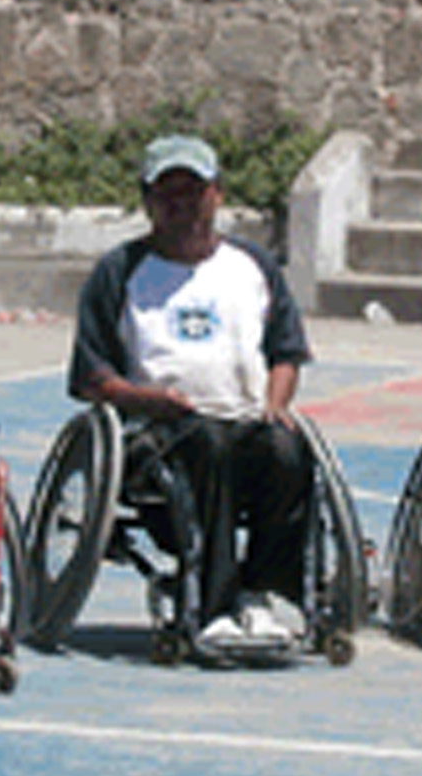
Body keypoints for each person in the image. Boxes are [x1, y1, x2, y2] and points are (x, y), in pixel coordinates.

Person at [68, 135, 316, 658]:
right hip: (155, 432)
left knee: (288, 449)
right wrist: (147, 398)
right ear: (148, 201)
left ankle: (259, 594)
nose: (181, 203)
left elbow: (286, 352)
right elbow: (91, 378)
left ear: (217, 196)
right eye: (167, 193)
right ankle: (214, 603)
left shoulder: (253, 268)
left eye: (193, 191)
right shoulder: (119, 272)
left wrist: (276, 403)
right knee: (207, 443)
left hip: (247, 420)